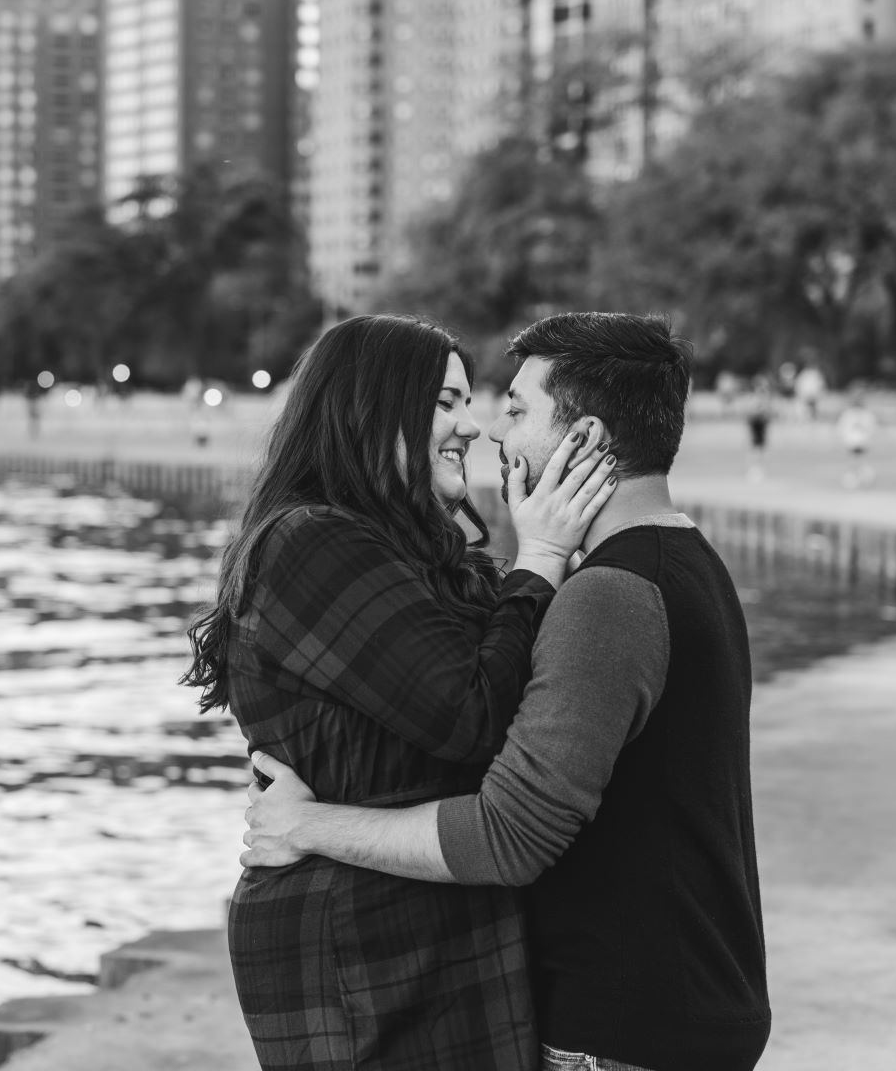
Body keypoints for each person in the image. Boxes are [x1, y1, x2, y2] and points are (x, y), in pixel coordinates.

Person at [242, 313, 771, 1071]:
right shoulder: (688, 563)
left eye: (516, 411)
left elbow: (509, 833)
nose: (491, 431)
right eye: (453, 404)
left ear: (584, 440)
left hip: (623, 1028)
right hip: (671, 1008)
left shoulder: (609, 595)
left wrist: (308, 824)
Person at [182, 314, 617, 1071]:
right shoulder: (309, 542)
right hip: (362, 945)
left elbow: (523, 690)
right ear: (370, 407)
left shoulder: (417, 553)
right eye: (445, 403)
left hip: (439, 921)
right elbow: (472, 715)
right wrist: (540, 555)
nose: (474, 427)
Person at [836, 387, 878, 489]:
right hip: (857, 440)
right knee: (857, 461)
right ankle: (860, 476)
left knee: (856, 461)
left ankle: (859, 477)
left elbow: (842, 427)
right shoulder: (853, 413)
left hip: (856, 441)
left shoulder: (854, 413)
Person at [741, 375, 775, 481]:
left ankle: (759, 468)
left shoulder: (764, 398)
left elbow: (768, 412)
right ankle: (753, 469)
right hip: (755, 425)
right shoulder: (754, 398)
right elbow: (750, 413)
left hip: (761, 426)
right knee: (754, 448)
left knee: (760, 448)